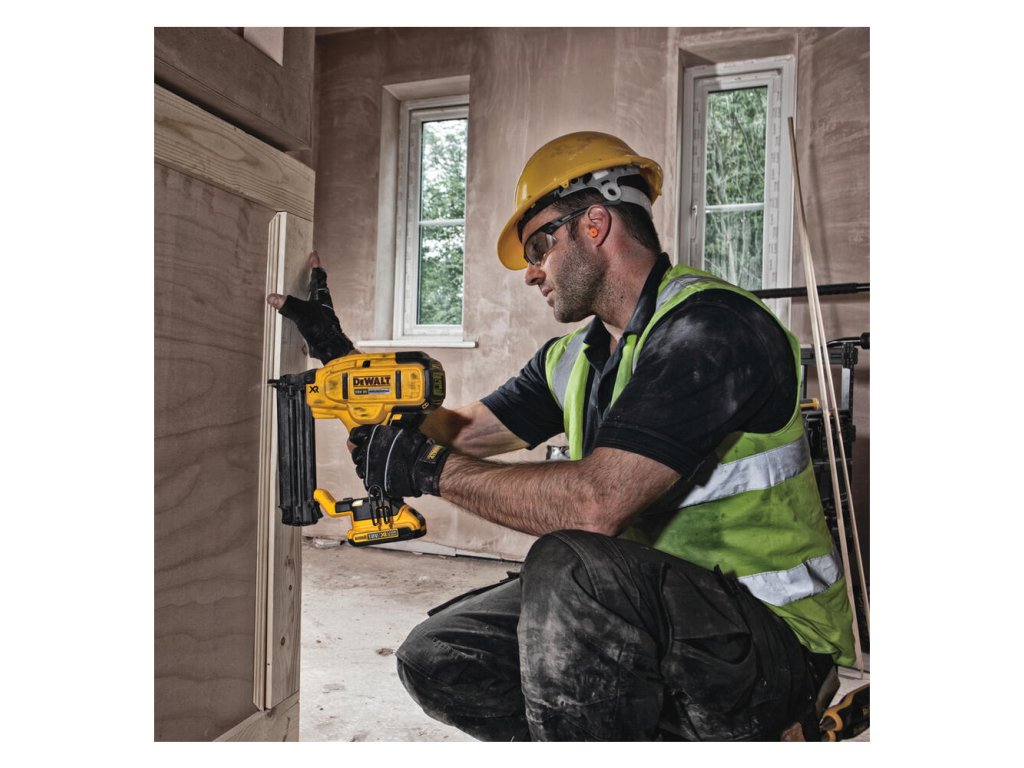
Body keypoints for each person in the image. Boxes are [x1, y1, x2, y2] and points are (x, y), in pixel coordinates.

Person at [272, 131, 856, 741]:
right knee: (441, 655)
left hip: (772, 635)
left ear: (595, 225)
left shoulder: (712, 328)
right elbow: (462, 432)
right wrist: (340, 359)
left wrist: (428, 471)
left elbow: (595, 505)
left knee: (570, 564)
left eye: (538, 246)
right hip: (654, 612)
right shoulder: (575, 356)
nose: (531, 273)